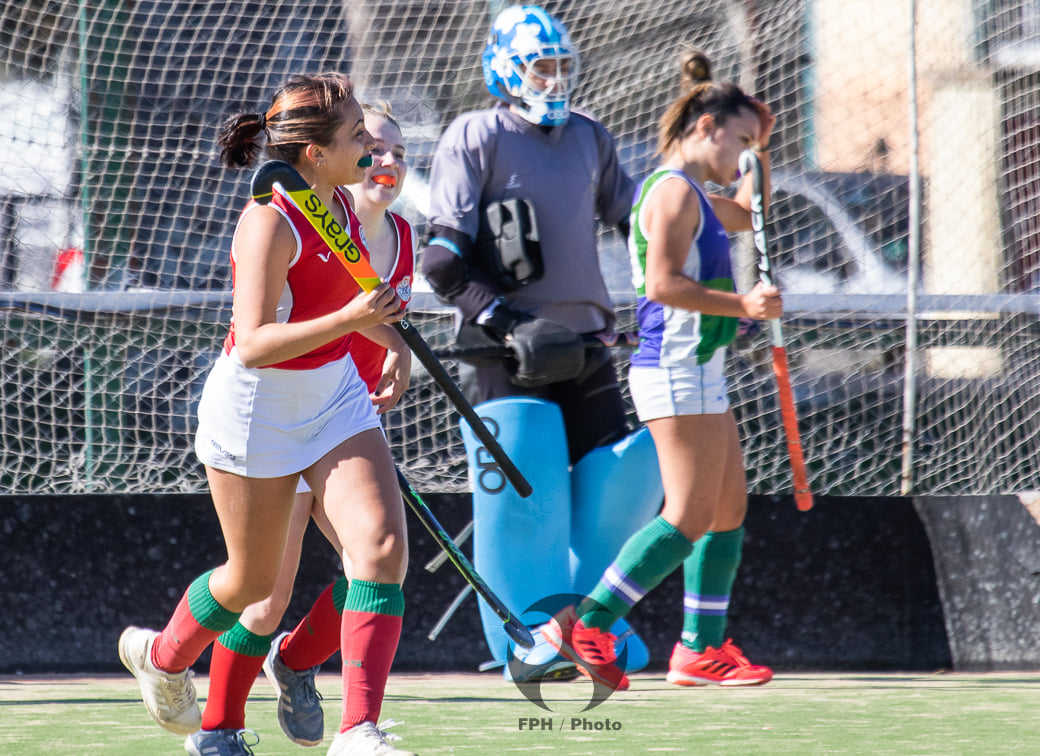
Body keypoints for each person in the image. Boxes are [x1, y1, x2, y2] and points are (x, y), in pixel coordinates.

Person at [117, 73, 416, 756]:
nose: (370, 145)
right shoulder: (270, 220)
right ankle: (164, 659)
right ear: (314, 153)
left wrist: (389, 343)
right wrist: (352, 319)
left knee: (380, 550)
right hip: (256, 408)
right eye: (354, 136)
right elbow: (251, 343)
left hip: (333, 394)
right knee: (250, 584)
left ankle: (359, 732)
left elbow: (348, 294)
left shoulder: (340, 200)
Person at [419, 4, 663, 683]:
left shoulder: (590, 136)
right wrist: (508, 322)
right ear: (505, 67)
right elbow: (441, 263)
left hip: (586, 343)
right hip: (506, 349)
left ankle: (593, 629)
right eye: (540, 66)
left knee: (619, 485)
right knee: (525, 500)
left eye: (562, 67)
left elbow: (641, 225)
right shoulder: (475, 135)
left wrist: (674, 268)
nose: (554, 80)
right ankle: (524, 639)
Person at [541, 50, 781, 692]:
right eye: (738, 142)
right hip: (674, 370)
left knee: (727, 508)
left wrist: (761, 149)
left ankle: (701, 648)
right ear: (705, 128)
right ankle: (586, 625)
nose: (741, 156)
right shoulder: (672, 193)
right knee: (688, 516)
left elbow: (751, 211)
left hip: (702, 370)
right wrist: (743, 305)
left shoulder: (701, 193)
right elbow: (661, 283)